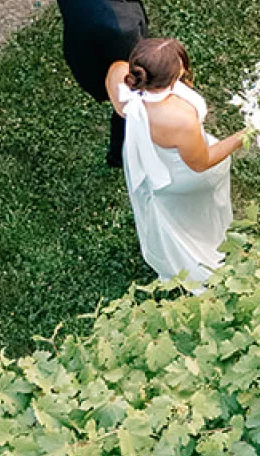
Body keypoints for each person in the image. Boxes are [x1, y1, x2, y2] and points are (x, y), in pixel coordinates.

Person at [106, 38, 248, 292]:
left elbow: (116, 74)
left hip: (150, 161)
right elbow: (201, 162)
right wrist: (245, 134)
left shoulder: (118, 76)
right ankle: (202, 254)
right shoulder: (178, 118)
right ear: (174, 76)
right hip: (181, 176)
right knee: (196, 216)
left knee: (173, 217)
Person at [51, 0, 186, 168]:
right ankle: (119, 155)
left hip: (77, 42)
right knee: (126, 108)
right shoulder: (120, 25)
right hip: (101, 67)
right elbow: (135, 67)